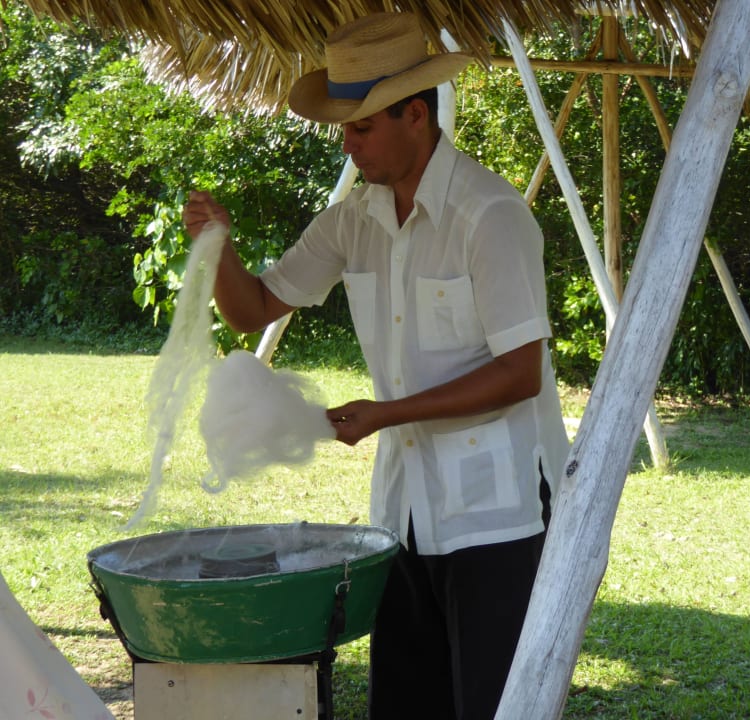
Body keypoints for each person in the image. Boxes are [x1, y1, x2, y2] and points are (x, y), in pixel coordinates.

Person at [183, 12, 569, 719]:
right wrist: (219, 249)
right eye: (344, 126)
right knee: (407, 704)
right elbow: (253, 309)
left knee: (497, 706)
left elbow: (522, 373)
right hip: (405, 512)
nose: (347, 143)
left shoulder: (490, 215)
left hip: (499, 513)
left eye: (361, 127)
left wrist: (387, 413)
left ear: (415, 116)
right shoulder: (353, 219)